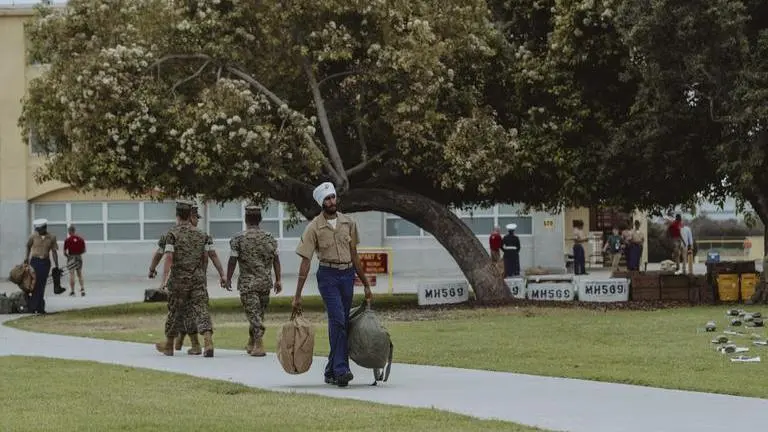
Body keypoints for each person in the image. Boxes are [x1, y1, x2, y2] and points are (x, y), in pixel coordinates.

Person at [293, 182, 373, 388]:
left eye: (333, 197)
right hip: (328, 276)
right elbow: (305, 261)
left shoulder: (349, 223)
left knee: (341, 322)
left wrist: (365, 283)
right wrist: (297, 295)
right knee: (337, 320)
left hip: (347, 275)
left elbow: (354, 255)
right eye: (327, 199)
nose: (331, 201)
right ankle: (341, 370)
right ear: (321, 202)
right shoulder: (314, 227)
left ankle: (330, 370)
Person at [154, 200, 226, 358]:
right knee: (201, 310)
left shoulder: (171, 234)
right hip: (197, 279)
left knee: (174, 311)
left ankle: (169, 345)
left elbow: (167, 256)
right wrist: (222, 274)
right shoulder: (203, 235)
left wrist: (160, 277)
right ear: (190, 215)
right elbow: (211, 256)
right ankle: (208, 341)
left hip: (179, 280)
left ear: (177, 215)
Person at [226, 204, 282, 357]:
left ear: (246, 219)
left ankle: (259, 344)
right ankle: (252, 342)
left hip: (248, 284)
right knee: (257, 314)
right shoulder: (270, 238)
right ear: (260, 219)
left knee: (254, 314)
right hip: (265, 283)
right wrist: (278, 280)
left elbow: (232, 260)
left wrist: (228, 278)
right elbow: (276, 260)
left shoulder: (238, 239)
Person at [24, 218, 60, 314]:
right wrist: (26, 258)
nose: (38, 231)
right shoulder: (33, 236)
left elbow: (54, 252)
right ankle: (35, 307)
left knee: (41, 284)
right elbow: (28, 246)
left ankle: (38, 307)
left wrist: (56, 265)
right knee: (35, 284)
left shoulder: (52, 237)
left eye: (39, 230)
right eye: (37, 230)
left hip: (45, 263)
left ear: (44, 228)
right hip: (34, 262)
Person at [63, 225, 87, 297]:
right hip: (78, 257)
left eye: (68, 231)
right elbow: (84, 250)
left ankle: (73, 291)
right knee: (79, 274)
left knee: (72, 274)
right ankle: (82, 289)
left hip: (71, 257)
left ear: (70, 231)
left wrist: (68, 257)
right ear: (74, 230)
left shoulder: (67, 240)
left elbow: (64, 252)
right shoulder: (81, 239)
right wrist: (79, 254)